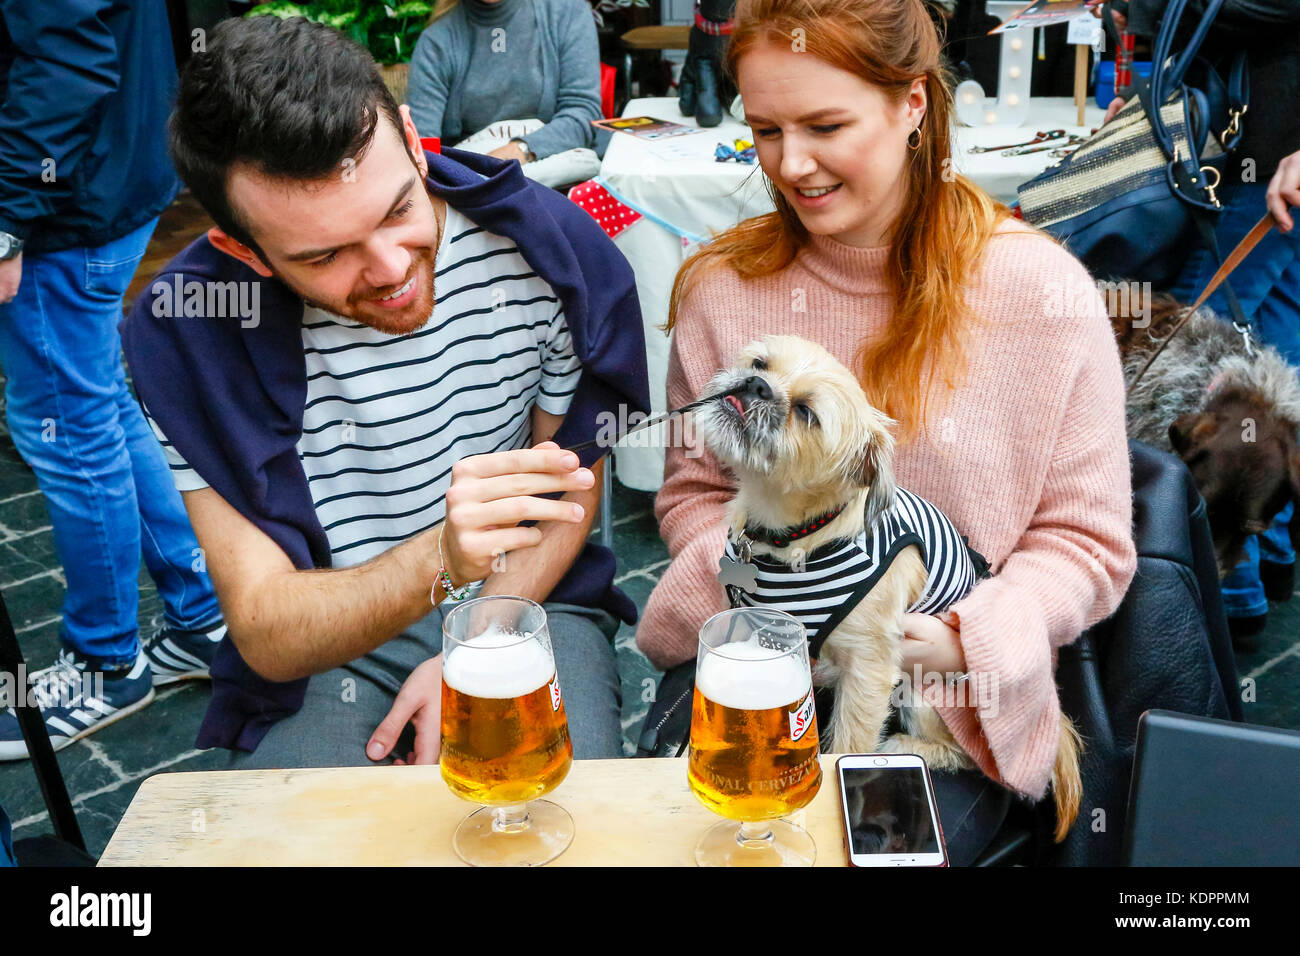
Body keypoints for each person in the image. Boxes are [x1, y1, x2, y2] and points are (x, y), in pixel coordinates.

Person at [637, 0, 1138, 864]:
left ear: (914, 105)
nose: (791, 165)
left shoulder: (1041, 292)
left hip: (944, 691)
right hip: (747, 651)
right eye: (764, 130)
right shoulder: (722, 289)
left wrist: (971, 635)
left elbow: (1087, 542)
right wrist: (761, 590)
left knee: (857, 854)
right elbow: (695, 493)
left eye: (826, 125)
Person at [119, 16, 649, 767]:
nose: (392, 268)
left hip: (525, 595)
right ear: (241, 249)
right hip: (328, 644)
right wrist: (440, 557)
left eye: (398, 209)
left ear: (410, 136)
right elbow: (267, 631)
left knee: (559, 817)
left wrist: (478, 642)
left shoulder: (547, 249)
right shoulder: (188, 334)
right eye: (326, 253)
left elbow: (568, 497)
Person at [0, 0, 225, 761]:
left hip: (69, 203)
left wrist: (7, 214)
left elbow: (66, 59)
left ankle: (107, 663)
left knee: (66, 427)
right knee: (97, 408)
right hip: (107, 176)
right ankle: (201, 618)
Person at [1095, 0, 1300, 645]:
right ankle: (1261, 568)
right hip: (1246, 135)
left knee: (1187, 362)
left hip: (1268, 148)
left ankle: (1218, 596)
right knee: (1269, 364)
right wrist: (1144, 93)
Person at [406, 0, 606, 188]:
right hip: (475, 186)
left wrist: (518, 151)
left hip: (559, 180)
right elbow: (422, 148)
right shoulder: (436, 42)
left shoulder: (567, 13)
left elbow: (583, 113)